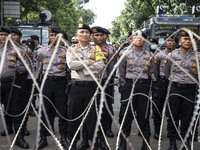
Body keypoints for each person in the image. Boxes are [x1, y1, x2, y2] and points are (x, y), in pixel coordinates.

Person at [67, 23, 105, 150]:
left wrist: (82, 67)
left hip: (91, 87)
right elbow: (71, 65)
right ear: (77, 34)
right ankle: (73, 142)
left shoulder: (96, 49)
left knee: (91, 117)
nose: (84, 34)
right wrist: (89, 62)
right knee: (74, 115)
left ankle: (90, 142)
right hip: (76, 87)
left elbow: (100, 66)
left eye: (86, 32)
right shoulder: (71, 48)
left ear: (90, 35)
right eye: (81, 32)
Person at [36, 26, 69, 149]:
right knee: (45, 111)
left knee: (62, 111)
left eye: (56, 36)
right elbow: (38, 68)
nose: (53, 38)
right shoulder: (42, 51)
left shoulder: (66, 51)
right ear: (49, 37)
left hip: (61, 83)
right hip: (47, 82)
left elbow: (69, 70)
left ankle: (63, 138)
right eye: (51, 35)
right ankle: (43, 138)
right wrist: (35, 84)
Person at [118, 31, 153, 150]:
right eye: (135, 37)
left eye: (142, 38)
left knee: (143, 115)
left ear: (145, 40)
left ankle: (145, 143)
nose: (138, 39)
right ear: (131, 40)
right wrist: (123, 86)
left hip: (144, 86)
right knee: (125, 115)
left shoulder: (150, 54)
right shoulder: (124, 53)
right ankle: (123, 142)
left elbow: (152, 71)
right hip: (129, 85)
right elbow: (121, 71)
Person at [164, 31, 199, 150]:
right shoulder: (172, 55)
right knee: (173, 117)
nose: (188, 41)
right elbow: (166, 71)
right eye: (185, 39)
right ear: (180, 41)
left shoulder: (198, 56)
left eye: (190, 39)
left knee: (187, 118)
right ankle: (172, 143)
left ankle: (186, 142)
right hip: (175, 88)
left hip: (190, 90)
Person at [0, 26, 29, 149]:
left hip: (12, 83)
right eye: (1, 35)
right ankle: (7, 129)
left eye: (5, 35)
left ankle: (19, 138)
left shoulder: (17, 50)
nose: (2, 37)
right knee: (5, 108)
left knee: (16, 110)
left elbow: (26, 65)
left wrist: (15, 69)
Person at [152, 34, 177, 140]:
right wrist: (156, 83)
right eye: (168, 41)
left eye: (172, 41)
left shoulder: (178, 54)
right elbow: (155, 69)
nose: (170, 42)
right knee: (158, 107)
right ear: (165, 42)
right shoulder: (159, 54)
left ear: (176, 42)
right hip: (161, 82)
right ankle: (157, 131)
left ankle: (173, 132)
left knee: (174, 109)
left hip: (174, 83)